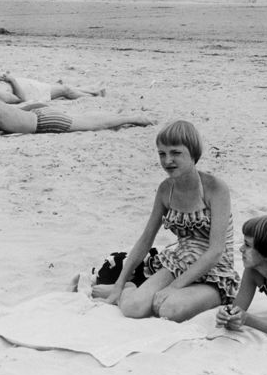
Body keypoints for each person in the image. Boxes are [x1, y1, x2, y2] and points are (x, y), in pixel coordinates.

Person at [90, 121, 238, 322]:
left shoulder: (215, 188)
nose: (168, 160)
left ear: (193, 152)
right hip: (180, 262)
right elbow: (146, 239)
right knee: (133, 308)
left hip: (215, 271)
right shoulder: (165, 190)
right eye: (162, 154)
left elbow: (216, 251)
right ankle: (129, 288)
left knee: (169, 309)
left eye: (176, 153)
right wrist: (119, 284)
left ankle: (178, 294)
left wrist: (174, 287)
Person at [0, 84, 153, 137]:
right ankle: (123, 116)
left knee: (94, 124)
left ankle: (134, 118)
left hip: (44, 123)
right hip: (38, 116)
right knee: (87, 119)